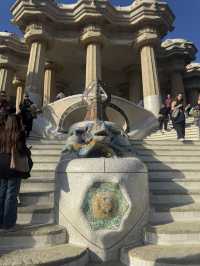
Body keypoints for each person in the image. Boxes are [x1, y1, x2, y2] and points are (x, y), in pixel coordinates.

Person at [0, 114, 27, 230]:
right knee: (11, 195)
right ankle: (9, 223)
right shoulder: (19, 134)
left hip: (1, 164)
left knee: (1, 194)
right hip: (13, 166)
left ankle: (1, 221)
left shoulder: (2, 133)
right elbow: (21, 150)